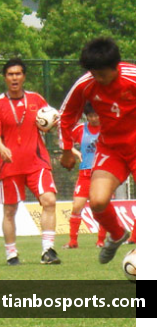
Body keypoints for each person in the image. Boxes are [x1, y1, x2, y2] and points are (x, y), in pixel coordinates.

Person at [59, 37, 135, 264]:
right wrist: (66, 150)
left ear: (116, 67)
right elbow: (66, 116)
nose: (98, 78)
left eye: (102, 74)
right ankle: (118, 233)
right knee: (98, 202)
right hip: (111, 148)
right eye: (94, 73)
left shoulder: (135, 78)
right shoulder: (86, 84)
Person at [0, 58, 61, 266]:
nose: (14, 78)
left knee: (49, 201)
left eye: (18, 74)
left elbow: (52, 119)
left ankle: (48, 250)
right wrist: (1, 147)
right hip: (9, 165)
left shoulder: (36, 99)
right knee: (10, 211)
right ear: (5, 78)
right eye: (10, 74)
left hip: (37, 162)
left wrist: (52, 126)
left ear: (24, 76)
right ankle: (11, 254)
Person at [63, 102, 107, 249]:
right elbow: (64, 141)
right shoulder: (81, 129)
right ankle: (73, 241)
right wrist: (75, 153)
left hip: (102, 174)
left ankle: (101, 240)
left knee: (101, 208)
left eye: (96, 115)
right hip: (85, 174)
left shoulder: (107, 129)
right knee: (77, 206)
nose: (94, 118)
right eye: (90, 116)